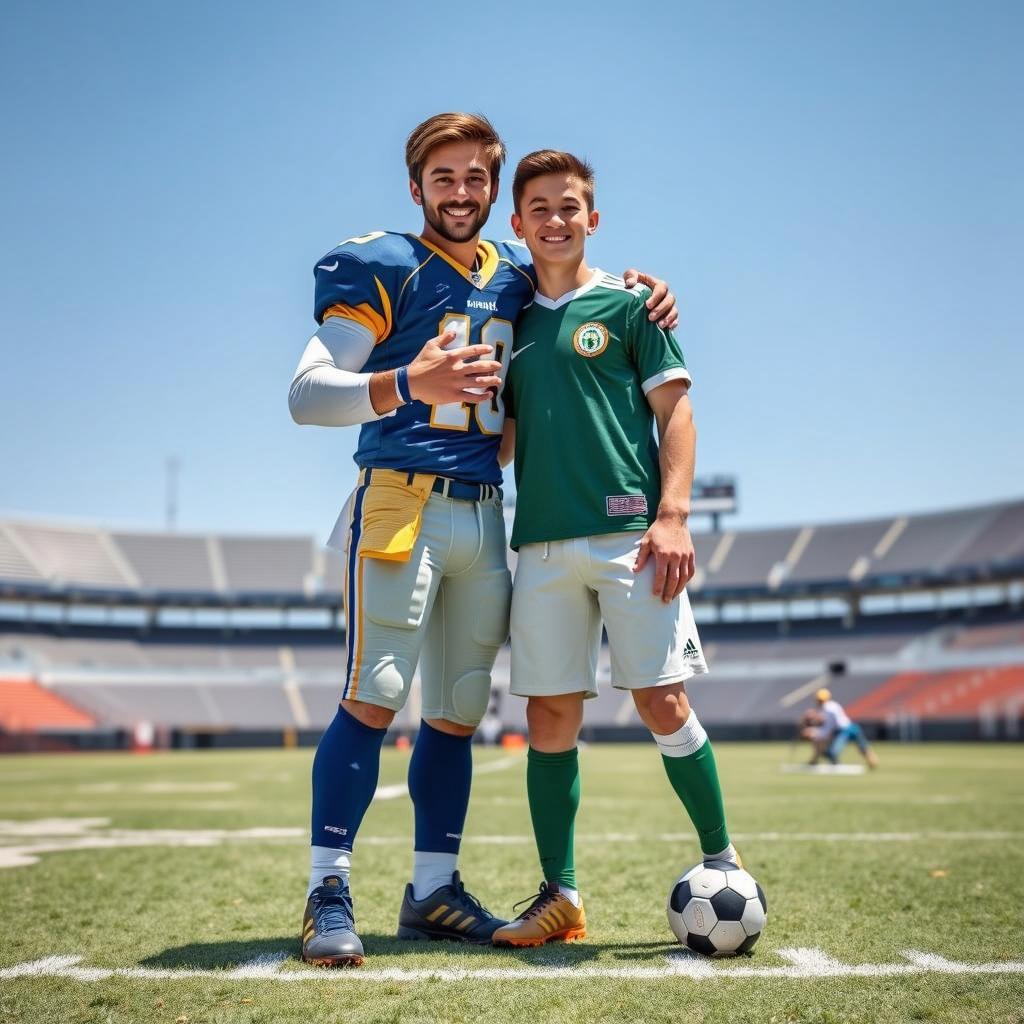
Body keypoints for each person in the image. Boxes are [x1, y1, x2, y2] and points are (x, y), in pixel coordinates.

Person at [288, 114, 680, 966]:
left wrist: (649, 292)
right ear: (416, 186)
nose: (460, 193)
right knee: (373, 692)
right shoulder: (383, 263)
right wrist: (405, 381)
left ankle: (433, 889)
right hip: (400, 498)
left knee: (459, 707)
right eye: (444, 177)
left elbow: (576, 291)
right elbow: (309, 392)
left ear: (493, 191)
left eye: (475, 179)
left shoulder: (510, 275)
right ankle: (327, 889)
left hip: (485, 509)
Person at [490, 151, 737, 948]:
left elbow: (678, 414)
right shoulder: (512, 325)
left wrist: (673, 514)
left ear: (592, 219)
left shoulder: (633, 307)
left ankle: (724, 861)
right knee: (549, 714)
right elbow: (503, 441)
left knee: (662, 701)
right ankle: (559, 894)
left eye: (570, 206)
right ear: (516, 223)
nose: (555, 219)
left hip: (634, 539)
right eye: (539, 208)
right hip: (542, 548)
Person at [807, 688, 878, 768]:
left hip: (845, 729)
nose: (819, 702)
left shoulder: (829, 709)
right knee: (861, 747)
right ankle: (827, 761)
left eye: (820, 700)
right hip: (847, 728)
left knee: (833, 751)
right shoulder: (828, 708)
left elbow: (829, 727)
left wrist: (816, 733)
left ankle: (872, 762)